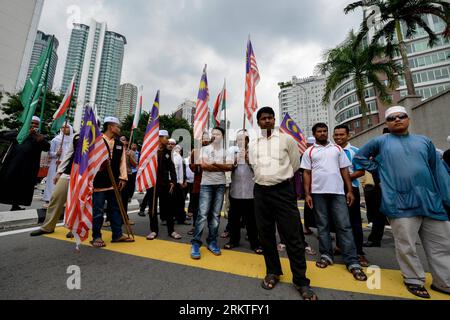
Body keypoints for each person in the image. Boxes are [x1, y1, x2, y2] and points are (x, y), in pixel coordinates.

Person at [354, 106, 450, 299]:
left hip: (431, 201)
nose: (397, 120)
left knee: (442, 244)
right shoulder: (380, 141)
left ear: (408, 119)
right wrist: (379, 170)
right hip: (399, 202)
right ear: (387, 123)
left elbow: (437, 170)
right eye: (392, 118)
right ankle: (413, 280)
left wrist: (445, 197)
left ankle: (444, 282)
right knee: (406, 244)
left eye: (401, 116)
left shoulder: (424, 141)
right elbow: (359, 157)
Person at [249, 107, 317, 300]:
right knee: (266, 235)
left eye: (270, 118)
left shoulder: (286, 139)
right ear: (258, 121)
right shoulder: (254, 143)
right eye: (263, 118)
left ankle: (301, 280)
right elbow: (254, 165)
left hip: (283, 191)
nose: (267, 121)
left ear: (274, 119)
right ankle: (273, 271)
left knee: (292, 236)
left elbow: (295, 165)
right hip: (261, 192)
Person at [301, 122, 367, 282]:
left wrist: (350, 190)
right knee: (322, 226)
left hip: (338, 193)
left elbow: (344, 170)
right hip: (318, 194)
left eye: (325, 131)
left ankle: (352, 261)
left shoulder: (337, 149)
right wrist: (307, 194)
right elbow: (306, 174)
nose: (322, 133)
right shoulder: (309, 151)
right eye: (319, 131)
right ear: (314, 134)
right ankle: (326, 255)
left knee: (344, 226)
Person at [90, 117, 134, 248]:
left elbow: (122, 163)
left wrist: (123, 178)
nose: (119, 129)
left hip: (114, 181)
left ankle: (117, 234)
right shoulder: (97, 141)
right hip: (99, 181)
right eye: (117, 126)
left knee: (115, 208)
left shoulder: (120, 144)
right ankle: (96, 236)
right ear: (110, 127)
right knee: (98, 210)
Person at [190, 127, 233, 260]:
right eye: (213, 134)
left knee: (215, 216)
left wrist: (214, 163)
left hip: (220, 185)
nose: (215, 136)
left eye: (218, 134)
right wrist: (220, 165)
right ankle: (196, 243)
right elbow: (204, 166)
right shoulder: (204, 149)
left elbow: (230, 167)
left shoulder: (227, 152)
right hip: (206, 185)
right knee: (202, 215)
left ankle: (212, 241)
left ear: (222, 137)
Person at [30, 132, 80, 237]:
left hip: (84, 175)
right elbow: (69, 154)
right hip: (68, 172)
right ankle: (47, 227)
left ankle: (75, 228)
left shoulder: (98, 138)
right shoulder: (76, 136)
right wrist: (59, 172)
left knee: (78, 203)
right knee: (56, 198)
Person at [333, 125, 369, 267]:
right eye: (336, 135)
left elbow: (360, 171)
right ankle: (340, 246)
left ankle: (359, 253)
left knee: (354, 221)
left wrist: (344, 178)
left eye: (342, 134)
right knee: (337, 219)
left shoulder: (355, 152)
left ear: (348, 135)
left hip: (351, 189)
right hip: (334, 190)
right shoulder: (330, 151)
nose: (338, 137)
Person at [224, 131, 263, 254]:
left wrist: (248, 159)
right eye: (239, 139)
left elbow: (259, 169)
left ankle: (255, 243)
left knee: (252, 220)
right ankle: (233, 240)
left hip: (250, 192)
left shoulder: (253, 152)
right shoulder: (232, 151)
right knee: (234, 219)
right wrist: (235, 161)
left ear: (247, 140)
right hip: (235, 191)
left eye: (243, 139)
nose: (241, 141)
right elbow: (228, 167)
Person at [0, 116, 50, 211]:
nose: (33, 125)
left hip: (28, 167)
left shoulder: (39, 136)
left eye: (36, 124)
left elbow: (47, 147)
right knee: (8, 184)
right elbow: (4, 135)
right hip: (13, 164)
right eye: (32, 123)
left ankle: (15, 206)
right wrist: (23, 132)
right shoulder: (20, 132)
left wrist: (41, 140)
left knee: (22, 186)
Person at [142, 131, 182, 241]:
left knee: (169, 207)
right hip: (152, 184)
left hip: (164, 184)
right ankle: (153, 230)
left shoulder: (167, 152)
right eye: (166, 138)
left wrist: (173, 181)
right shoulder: (149, 151)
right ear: (159, 138)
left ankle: (171, 230)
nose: (168, 140)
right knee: (152, 208)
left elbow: (171, 168)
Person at [42, 124, 74, 205]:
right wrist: (56, 153)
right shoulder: (56, 140)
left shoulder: (73, 140)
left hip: (67, 165)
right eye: (62, 127)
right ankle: (49, 199)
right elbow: (50, 153)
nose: (64, 129)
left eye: (66, 127)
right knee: (52, 182)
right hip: (56, 164)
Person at [187, 132, 211, 236]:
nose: (205, 141)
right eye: (203, 139)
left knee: (210, 207)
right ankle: (195, 226)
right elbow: (191, 166)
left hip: (211, 183)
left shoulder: (213, 151)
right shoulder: (195, 152)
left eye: (206, 139)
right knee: (197, 207)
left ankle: (212, 228)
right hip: (198, 183)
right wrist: (198, 166)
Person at [172, 143, 190, 225]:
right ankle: (174, 217)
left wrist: (185, 180)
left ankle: (181, 218)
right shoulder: (171, 158)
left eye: (179, 149)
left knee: (181, 201)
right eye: (177, 149)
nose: (178, 150)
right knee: (174, 201)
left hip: (180, 182)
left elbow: (183, 171)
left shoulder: (181, 159)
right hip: (174, 182)